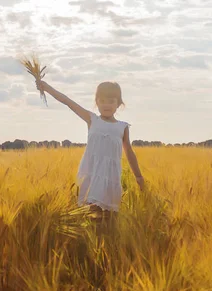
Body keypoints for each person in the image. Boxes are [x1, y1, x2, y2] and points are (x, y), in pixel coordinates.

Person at [36, 79, 145, 215]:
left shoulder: (122, 127)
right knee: (89, 212)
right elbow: (68, 102)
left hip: (110, 176)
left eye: (111, 101)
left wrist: (139, 177)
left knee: (109, 216)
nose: (106, 105)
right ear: (96, 102)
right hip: (91, 173)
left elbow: (129, 151)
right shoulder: (92, 119)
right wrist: (47, 88)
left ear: (119, 104)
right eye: (102, 101)